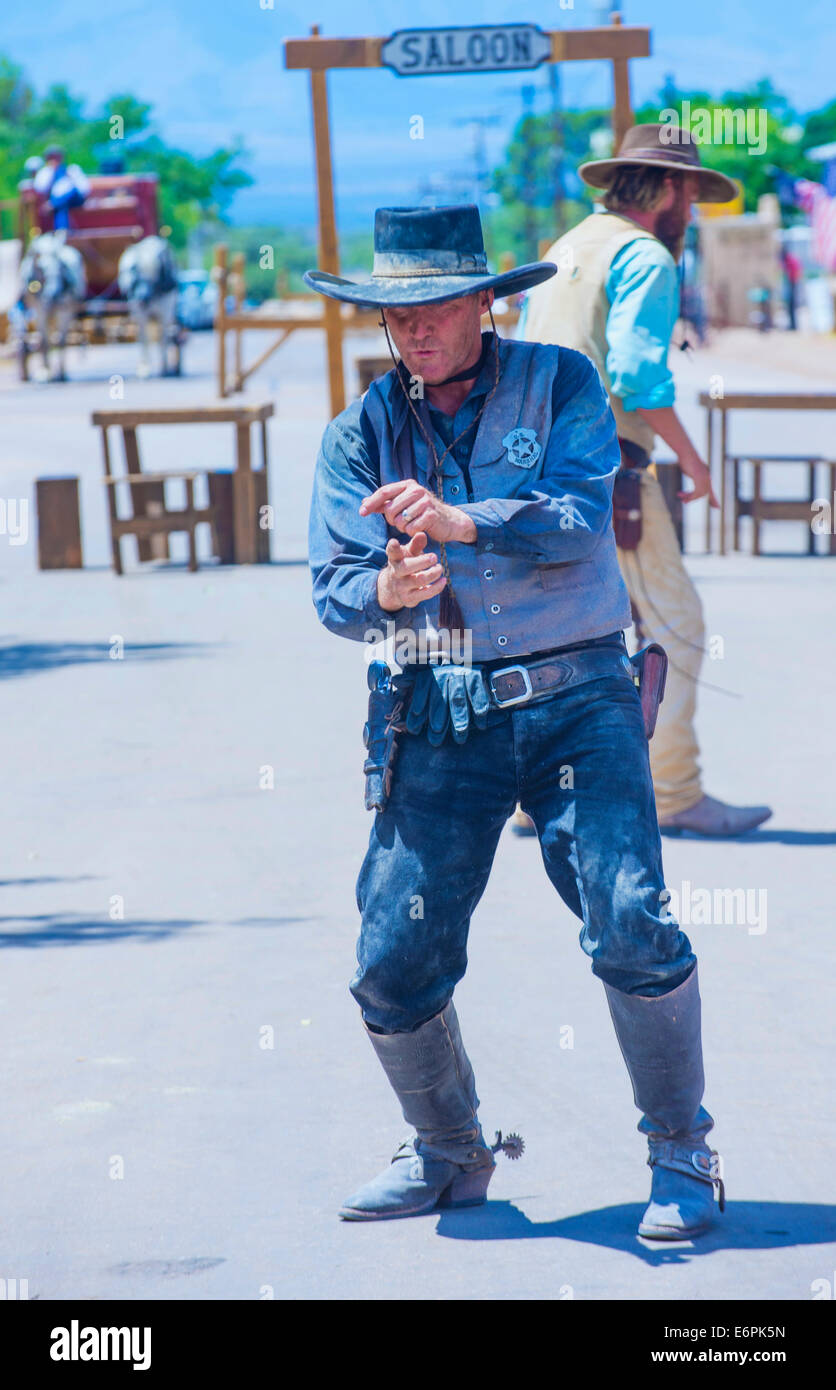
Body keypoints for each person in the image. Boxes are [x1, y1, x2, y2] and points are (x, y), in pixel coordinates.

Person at [305, 204, 725, 1240]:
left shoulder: (561, 385)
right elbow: (332, 586)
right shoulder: (357, 432)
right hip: (437, 706)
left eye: (435, 309)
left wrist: (461, 524)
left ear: (485, 304)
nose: (415, 333)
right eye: (395, 318)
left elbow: (582, 516)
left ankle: (681, 1153)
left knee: (630, 916)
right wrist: (389, 593)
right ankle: (449, 1151)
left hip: (579, 694)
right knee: (390, 960)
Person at [522, 125, 772, 837]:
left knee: (554, 631)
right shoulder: (644, 256)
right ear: (665, 188)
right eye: (689, 191)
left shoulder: (570, 245)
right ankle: (673, 792)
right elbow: (637, 377)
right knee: (675, 625)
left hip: (536, 466)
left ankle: (526, 791)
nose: (691, 208)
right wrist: (694, 465)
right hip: (607, 470)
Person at [32, 145, 90, 231]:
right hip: (57, 201)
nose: (55, 160)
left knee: (69, 194)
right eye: (52, 157)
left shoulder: (72, 169)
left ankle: (54, 205)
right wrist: (52, 172)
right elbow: (40, 188)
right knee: (62, 206)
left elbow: (84, 189)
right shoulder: (45, 172)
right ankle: (63, 231)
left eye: (57, 157)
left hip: (74, 199)